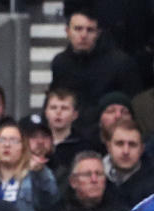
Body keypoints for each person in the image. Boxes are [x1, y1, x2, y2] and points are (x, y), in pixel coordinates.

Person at [49, 7, 141, 138]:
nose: (84, 35)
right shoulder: (60, 63)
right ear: (67, 31)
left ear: (98, 33)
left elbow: (131, 104)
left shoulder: (121, 63)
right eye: (78, 29)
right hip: (69, 130)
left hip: (108, 132)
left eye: (90, 30)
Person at [102, 119, 154, 211]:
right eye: (119, 144)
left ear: (142, 149)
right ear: (108, 146)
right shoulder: (94, 177)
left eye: (132, 145)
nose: (125, 151)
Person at [43, 87, 97, 177]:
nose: (58, 112)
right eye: (53, 108)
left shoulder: (84, 147)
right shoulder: (36, 142)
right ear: (46, 112)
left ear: (75, 115)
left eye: (64, 108)